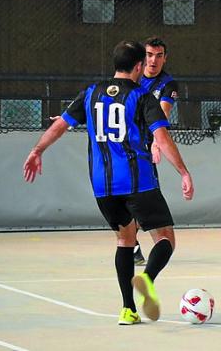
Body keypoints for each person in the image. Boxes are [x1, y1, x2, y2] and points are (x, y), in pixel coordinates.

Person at [23, 40, 194, 324]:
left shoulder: (91, 94)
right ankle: (147, 280)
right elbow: (162, 139)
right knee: (165, 238)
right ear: (139, 66)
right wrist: (184, 172)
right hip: (138, 181)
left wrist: (37, 150)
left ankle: (128, 310)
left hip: (102, 186)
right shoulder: (142, 97)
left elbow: (60, 125)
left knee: (125, 240)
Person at [131, 36, 180, 266]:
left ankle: (147, 247)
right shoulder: (132, 77)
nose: (154, 60)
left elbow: (162, 116)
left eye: (159, 56)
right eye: (150, 55)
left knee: (144, 202)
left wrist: (155, 143)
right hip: (123, 148)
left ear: (165, 58)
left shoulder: (168, 85)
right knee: (129, 201)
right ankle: (133, 245)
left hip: (146, 151)